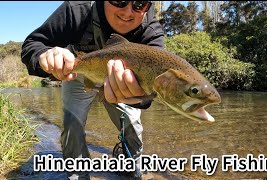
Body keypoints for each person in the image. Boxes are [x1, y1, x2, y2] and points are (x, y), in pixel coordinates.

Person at [21, 1, 164, 179]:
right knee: (72, 125)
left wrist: (140, 97)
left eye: (139, 4)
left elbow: (156, 86)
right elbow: (33, 44)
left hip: (123, 80)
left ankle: (131, 168)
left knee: (132, 126)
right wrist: (44, 56)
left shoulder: (150, 28)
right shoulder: (77, 9)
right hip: (80, 71)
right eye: (119, 0)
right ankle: (77, 175)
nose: (128, 12)